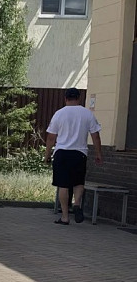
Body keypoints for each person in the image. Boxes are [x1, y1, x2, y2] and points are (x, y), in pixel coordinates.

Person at [44, 88, 103, 225]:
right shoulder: (87, 114)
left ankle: (65, 217)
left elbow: (51, 137)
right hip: (79, 153)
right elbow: (96, 136)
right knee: (78, 182)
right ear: (79, 98)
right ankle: (77, 204)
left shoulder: (59, 114)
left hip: (62, 153)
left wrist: (47, 155)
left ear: (65, 98)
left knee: (63, 185)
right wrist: (99, 153)